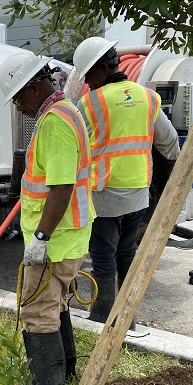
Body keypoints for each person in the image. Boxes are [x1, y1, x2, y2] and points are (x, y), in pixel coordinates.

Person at [0, 54, 95, 385]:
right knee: (57, 306)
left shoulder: (54, 123)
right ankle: (65, 373)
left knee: (38, 315)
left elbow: (61, 187)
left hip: (55, 242)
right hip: (69, 237)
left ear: (35, 88)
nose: (19, 107)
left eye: (19, 98)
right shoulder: (67, 111)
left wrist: (39, 239)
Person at [73, 37, 180, 325]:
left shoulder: (90, 102)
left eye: (89, 75)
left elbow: (74, 146)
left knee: (103, 256)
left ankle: (102, 314)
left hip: (105, 194)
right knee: (127, 253)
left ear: (103, 70)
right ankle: (127, 318)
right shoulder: (148, 97)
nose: (87, 82)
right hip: (138, 195)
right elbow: (170, 144)